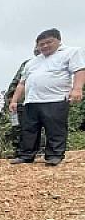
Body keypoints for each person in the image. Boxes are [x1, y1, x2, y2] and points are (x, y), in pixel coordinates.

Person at [9, 28, 85, 166]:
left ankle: (54, 155)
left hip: (55, 98)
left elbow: (79, 70)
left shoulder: (70, 53)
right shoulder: (32, 62)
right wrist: (14, 100)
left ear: (58, 41)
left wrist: (77, 89)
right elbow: (22, 83)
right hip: (31, 100)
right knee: (28, 129)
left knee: (55, 129)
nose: (44, 46)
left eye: (48, 42)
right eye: (41, 44)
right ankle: (26, 155)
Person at [5, 48, 40, 153]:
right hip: (24, 102)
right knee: (21, 127)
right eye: (37, 47)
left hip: (49, 100)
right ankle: (22, 151)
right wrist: (12, 99)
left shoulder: (58, 61)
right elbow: (17, 82)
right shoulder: (28, 64)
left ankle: (44, 151)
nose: (38, 49)